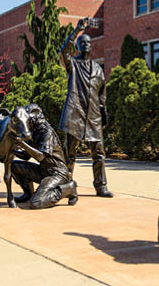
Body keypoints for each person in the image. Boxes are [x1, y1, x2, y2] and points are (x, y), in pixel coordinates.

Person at [59, 18, 113, 198]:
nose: (86, 45)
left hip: (94, 116)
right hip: (75, 113)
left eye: (88, 42)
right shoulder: (72, 64)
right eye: (83, 42)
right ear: (78, 46)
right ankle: (65, 185)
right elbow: (63, 51)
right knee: (69, 154)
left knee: (99, 153)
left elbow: (102, 93)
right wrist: (77, 31)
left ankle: (101, 186)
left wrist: (104, 113)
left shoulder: (98, 68)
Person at [12, 104, 78, 209]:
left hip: (57, 173)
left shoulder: (47, 132)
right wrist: (11, 150)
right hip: (43, 171)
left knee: (37, 203)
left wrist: (21, 143)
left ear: (34, 117)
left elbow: (40, 157)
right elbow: (25, 156)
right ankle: (27, 193)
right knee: (14, 166)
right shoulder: (33, 132)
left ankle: (69, 188)